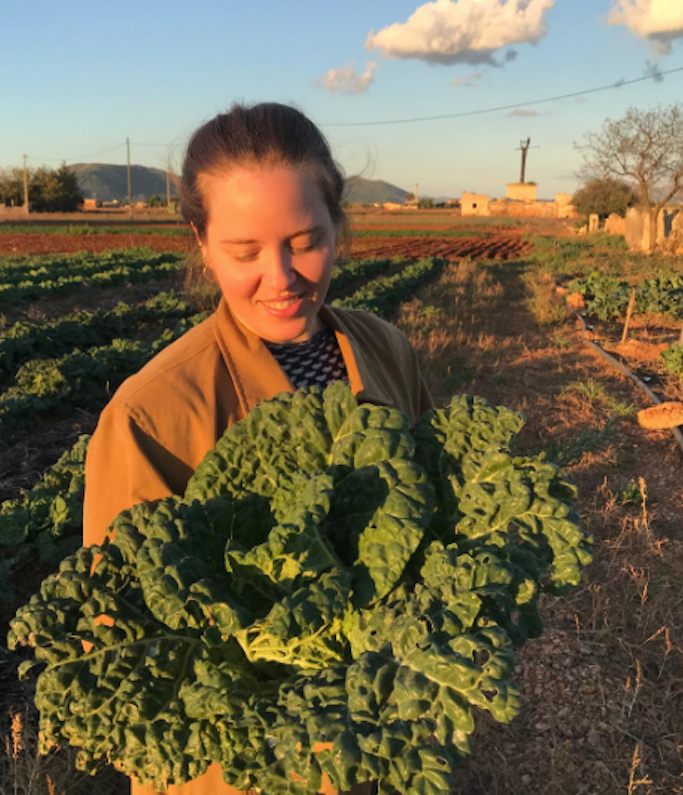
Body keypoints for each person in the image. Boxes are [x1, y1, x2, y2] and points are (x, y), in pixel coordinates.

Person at [83, 101, 434, 795]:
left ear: (339, 225)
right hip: (239, 768)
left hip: (375, 732)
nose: (281, 277)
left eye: (304, 241)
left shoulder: (384, 348)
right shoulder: (149, 415)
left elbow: (441, 513)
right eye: (244, 252)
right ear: (201, 241)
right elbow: (122, 634)